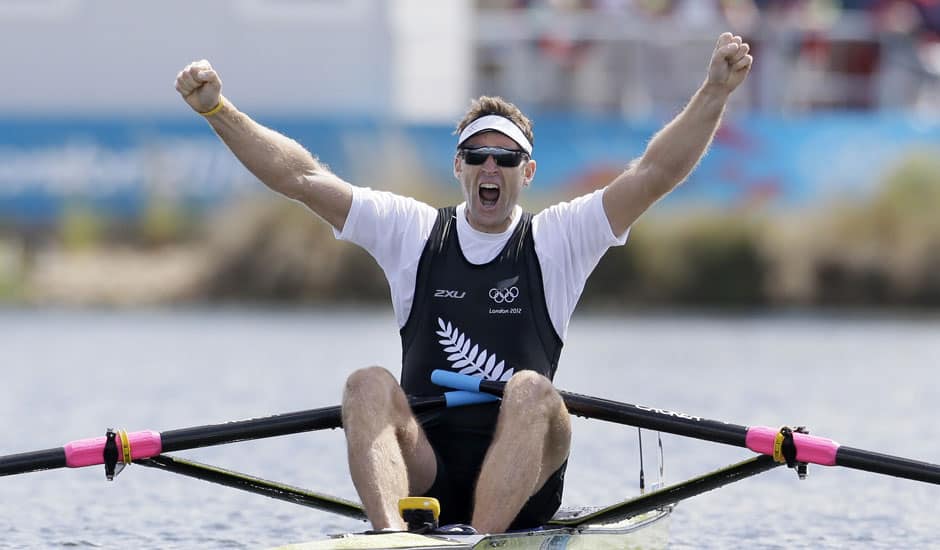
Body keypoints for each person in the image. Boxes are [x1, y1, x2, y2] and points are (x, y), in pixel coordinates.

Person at [174, 32, 752, 534]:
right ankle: (394, 536)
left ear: (528, 171)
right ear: (459, 167)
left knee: (532, 390)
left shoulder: (559, 238)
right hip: (426, 468)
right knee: (366, 384)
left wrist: (715, 92)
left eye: (506, 157)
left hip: (527, 481)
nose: (490, 168)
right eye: (477, 155)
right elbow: (301, 177)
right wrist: (218, 109)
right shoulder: (412, 230)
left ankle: (476, 538)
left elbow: (652, 174)